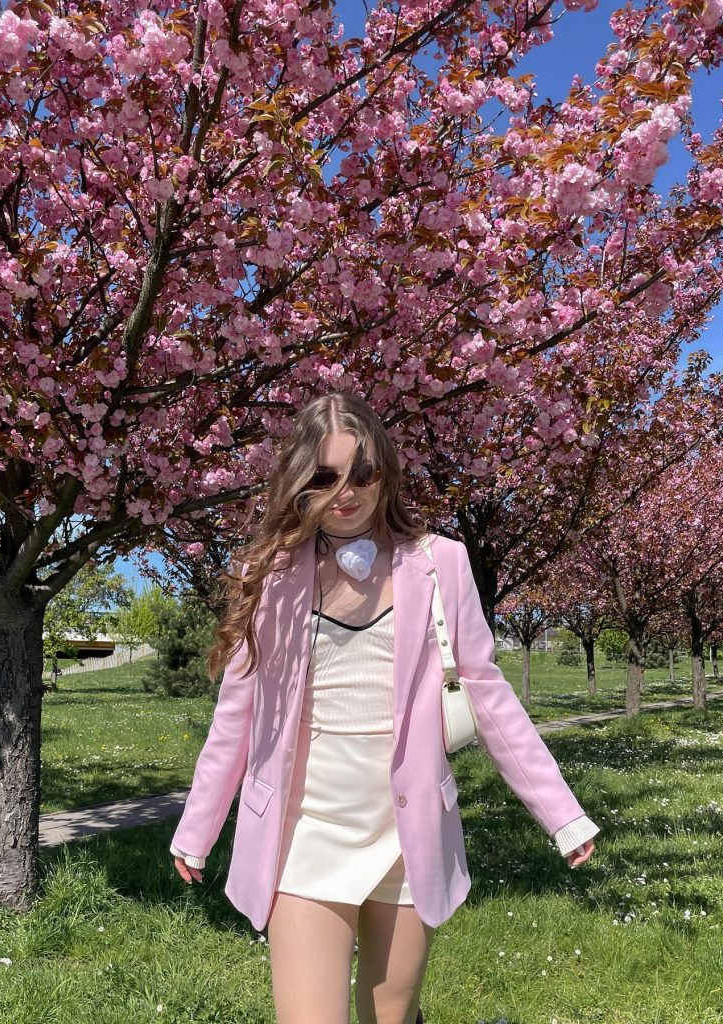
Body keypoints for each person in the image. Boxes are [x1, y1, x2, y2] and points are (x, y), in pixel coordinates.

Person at [170, 393, 599, 1024]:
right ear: (298, 480)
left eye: (361, 473)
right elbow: (236, 716)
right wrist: (196, 829)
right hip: (303, 831)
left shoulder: (440, 563)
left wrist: (562, 816)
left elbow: (487, 692)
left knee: (390, 1017)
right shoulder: (269, 573)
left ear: (385, 472)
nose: (346, 492)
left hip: (408, 832)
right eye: (325, 476)